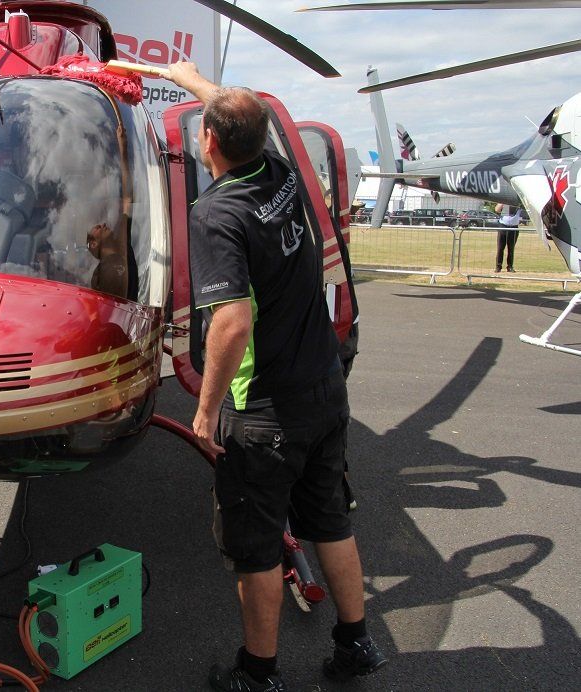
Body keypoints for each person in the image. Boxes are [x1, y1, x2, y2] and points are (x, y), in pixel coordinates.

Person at [165, 62, 386, 692]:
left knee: (256, 547)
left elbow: (231, 323)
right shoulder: (283, 173)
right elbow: (243, 120)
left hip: (265, 416)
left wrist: (206, 412)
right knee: (331, 522)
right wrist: (196, 83)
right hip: (324, 390)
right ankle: (357, 645)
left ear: (207, 141)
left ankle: (258, 674)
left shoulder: (218, 215)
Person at [494, 203, 523, 272]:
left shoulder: (519, 202)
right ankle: (498, 266)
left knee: (511, 249)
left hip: (514, 228)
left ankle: (510, 267)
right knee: (500, 248)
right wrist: (503, 202)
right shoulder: (504, 201)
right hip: (503, 226)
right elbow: (497, 210)